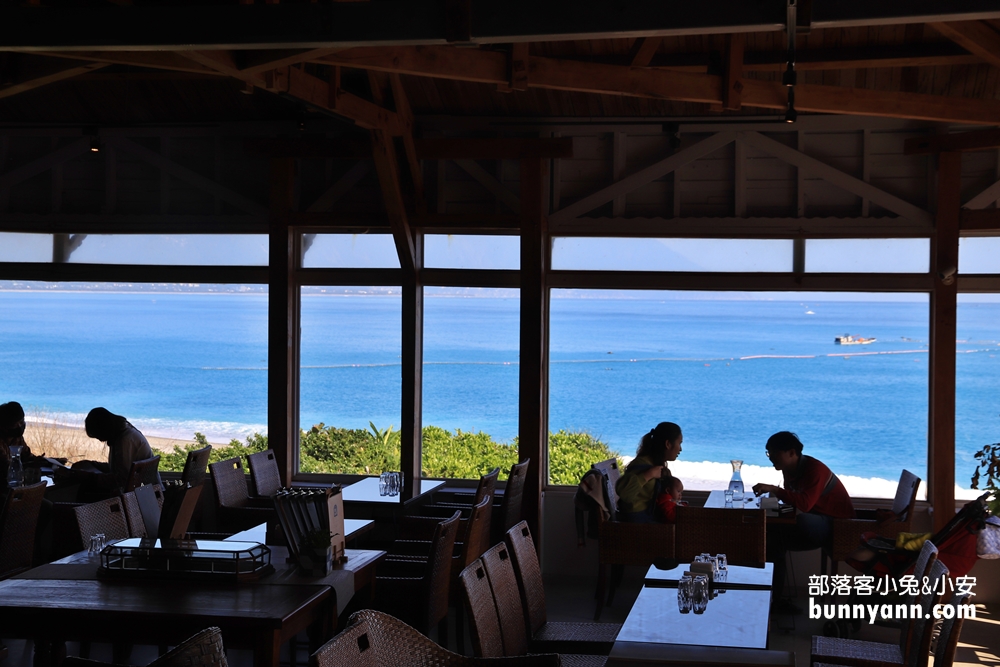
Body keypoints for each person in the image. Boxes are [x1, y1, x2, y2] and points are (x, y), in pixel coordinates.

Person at [752, 431, 854, 614]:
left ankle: (775, 599)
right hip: (818, 519)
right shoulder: (788, 469)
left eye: (774, 453)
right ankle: (774, 598)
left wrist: (774, 489)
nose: (771, 458)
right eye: (768, 453)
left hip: (836, 526)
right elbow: (794, 499)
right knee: (772, 536)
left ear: (792, 452)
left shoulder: (815, 470)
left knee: (776, 538)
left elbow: (805, 504)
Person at [67, 407, 153, 494]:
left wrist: (89, 477)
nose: (101, 440)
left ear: (103, 429)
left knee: (84, 489)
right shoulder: (124, 433)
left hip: (135, 495)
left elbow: (121, 480)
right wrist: (93, 464)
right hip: (142, 491)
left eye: (98, 435)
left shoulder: (124, 441)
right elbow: (119, 468)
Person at [615, 422, 683, 523]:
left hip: (646, 518)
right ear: (668, 444)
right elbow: (624, 493)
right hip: (637, 523)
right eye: (679, 443)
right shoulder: (641, 465)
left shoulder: (656, 462)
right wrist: (648, 475)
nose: (680, 449)